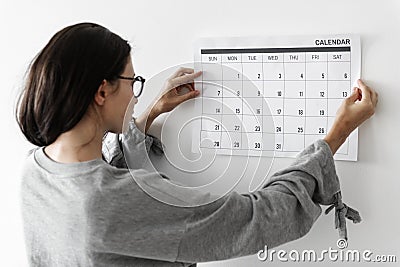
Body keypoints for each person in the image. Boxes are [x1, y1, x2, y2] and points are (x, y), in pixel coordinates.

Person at [16, 22, 377, 267]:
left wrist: (150, 115)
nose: (137, 94)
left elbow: (101, 179)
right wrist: (335, 136)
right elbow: (259, 217)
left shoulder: (36, 170)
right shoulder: (110, 202)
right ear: (101, 91)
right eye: (131, 81)